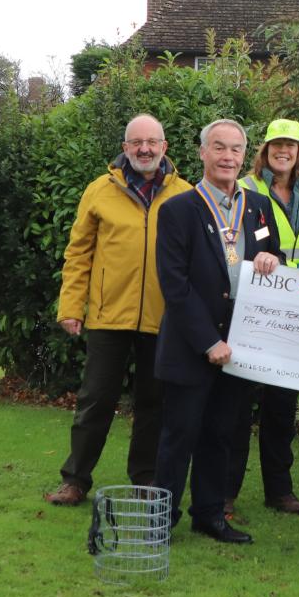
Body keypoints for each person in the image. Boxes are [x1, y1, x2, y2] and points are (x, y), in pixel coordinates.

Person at [45, 114, 191, 506]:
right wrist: (71, 306)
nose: (144, 148)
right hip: (109, 315)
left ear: (165, 147)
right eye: (136, 142)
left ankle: (144, 479)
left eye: (152, 141)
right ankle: (75, 479)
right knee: (95, 400)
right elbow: (78, 254)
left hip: (163, 319)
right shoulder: (99, 190)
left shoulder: (187, 194)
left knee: (154, 404)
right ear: (125, 148)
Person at [153, 118, 283, 544]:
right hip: (194, 345)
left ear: (245, 155)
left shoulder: (259, 207)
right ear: (203, 153)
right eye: (219, 148)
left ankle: (209, 515)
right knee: (179, 438)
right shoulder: (177, 210)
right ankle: (161, 520)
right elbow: (175, 285)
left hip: (240, 345)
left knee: (220, 436)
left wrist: (272, 259)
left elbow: (272, 251)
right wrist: (209, 341)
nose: (228, 157)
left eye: (236, 149)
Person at [228, 118, 299, 516]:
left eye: (292, 145)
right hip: (253, 307)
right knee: (237, 407)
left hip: (298, 310)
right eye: (277, 144)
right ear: (265, 150)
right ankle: (226, 489)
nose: (284, 151)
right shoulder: (247, 189)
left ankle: (279, 490)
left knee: (281, 407)